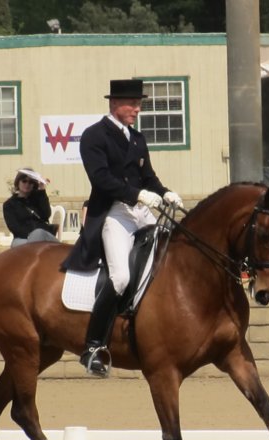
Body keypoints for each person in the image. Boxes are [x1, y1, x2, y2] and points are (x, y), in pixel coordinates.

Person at [61, 79, 183, 377]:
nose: (137, 109)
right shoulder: (94, 136)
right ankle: (93, 346)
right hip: (114, 213)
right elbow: (101, 179)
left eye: (139, 104)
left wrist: (165, 192)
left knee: (171, 260)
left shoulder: (137, 138)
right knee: (120, 278)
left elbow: (148, 177)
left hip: (141, 212)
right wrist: (137, 194)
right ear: (114, 103)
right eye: (132, 104)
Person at [3, 169, 59, 247]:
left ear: (34, 184)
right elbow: (14, 227)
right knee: (32, 237)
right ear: (18, 182)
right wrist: (32, 236)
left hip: (43, 236)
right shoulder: (9, 204)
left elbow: (46, 214)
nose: (27, 184)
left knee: (38, 233)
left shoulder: (38, 198)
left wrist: (42, 191)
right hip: (21, 238)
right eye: (24, 181)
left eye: (31, 182)